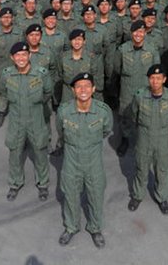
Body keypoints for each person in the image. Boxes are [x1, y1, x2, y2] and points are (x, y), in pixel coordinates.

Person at [56, 73, 113, 248]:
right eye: (79, 86)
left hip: (94, 162)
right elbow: (61, 133)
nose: (83, 90)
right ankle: (71, 227)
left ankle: (95, 228)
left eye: (87, 86)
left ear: (93, 89)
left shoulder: (103, 111)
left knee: (96, 195)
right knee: (71, 195)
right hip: (71, 161)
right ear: (73, 90)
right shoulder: (64, 111)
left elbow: (106, 130)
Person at [0, 42, 52, 201]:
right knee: (14, 153)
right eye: (17, 55)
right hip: (16, 121)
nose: (21, 58)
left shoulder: (41, 74)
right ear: (12, 58)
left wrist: (36, 104)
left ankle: (43, 184)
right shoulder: (7, 74)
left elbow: (47, 92)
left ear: (29, 55)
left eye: (24, 55)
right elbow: (2, 91)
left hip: (36, 119)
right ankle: (15, 183)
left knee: (40, 152)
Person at [128, 64, 168, 215]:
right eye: (152, 78)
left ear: (164, 79)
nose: (155, 82)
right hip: (144, 137)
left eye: (158, 78)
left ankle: (162, 198)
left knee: (161, 169)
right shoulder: (139, 96)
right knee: (141, 168)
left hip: (162, 139)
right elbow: (134, 116)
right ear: (148, 79)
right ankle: (137, 196)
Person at [115, 20, 161, 156]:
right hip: (127, 88)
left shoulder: (152, 50)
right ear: (131, 33)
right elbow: (117, 68)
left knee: (146, 115)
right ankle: (125, 139)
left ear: (145, 33)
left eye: (141, 31)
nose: (138, 34)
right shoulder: (123, 49)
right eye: (135, 31)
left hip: (146, 89)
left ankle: (145, 141)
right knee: (126, 115)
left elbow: (156, 71)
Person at [0, 8, 23, 128]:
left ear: (13, 18)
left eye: (9, 17)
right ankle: (1, 112)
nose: (7, 19)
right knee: (1, 90)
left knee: (18, 90)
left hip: (16, 66)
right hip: (1, 65)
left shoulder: (19, 33)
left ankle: (19, 115)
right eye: (4, 17)